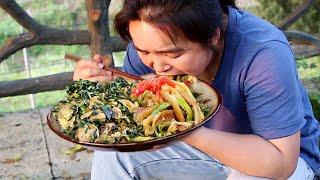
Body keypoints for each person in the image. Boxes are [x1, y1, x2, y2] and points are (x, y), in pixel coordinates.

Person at [73, 0, 320, 179]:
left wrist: (184, 131)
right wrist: (97, 100)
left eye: (173, 54)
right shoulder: (150, 43)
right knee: (113, 158)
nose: (157, 66)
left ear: (213, 36)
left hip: (278, 160)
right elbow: (124, 132)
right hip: (204, 151)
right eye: (144, 51)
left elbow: (280, 162)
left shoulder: (262, 53)